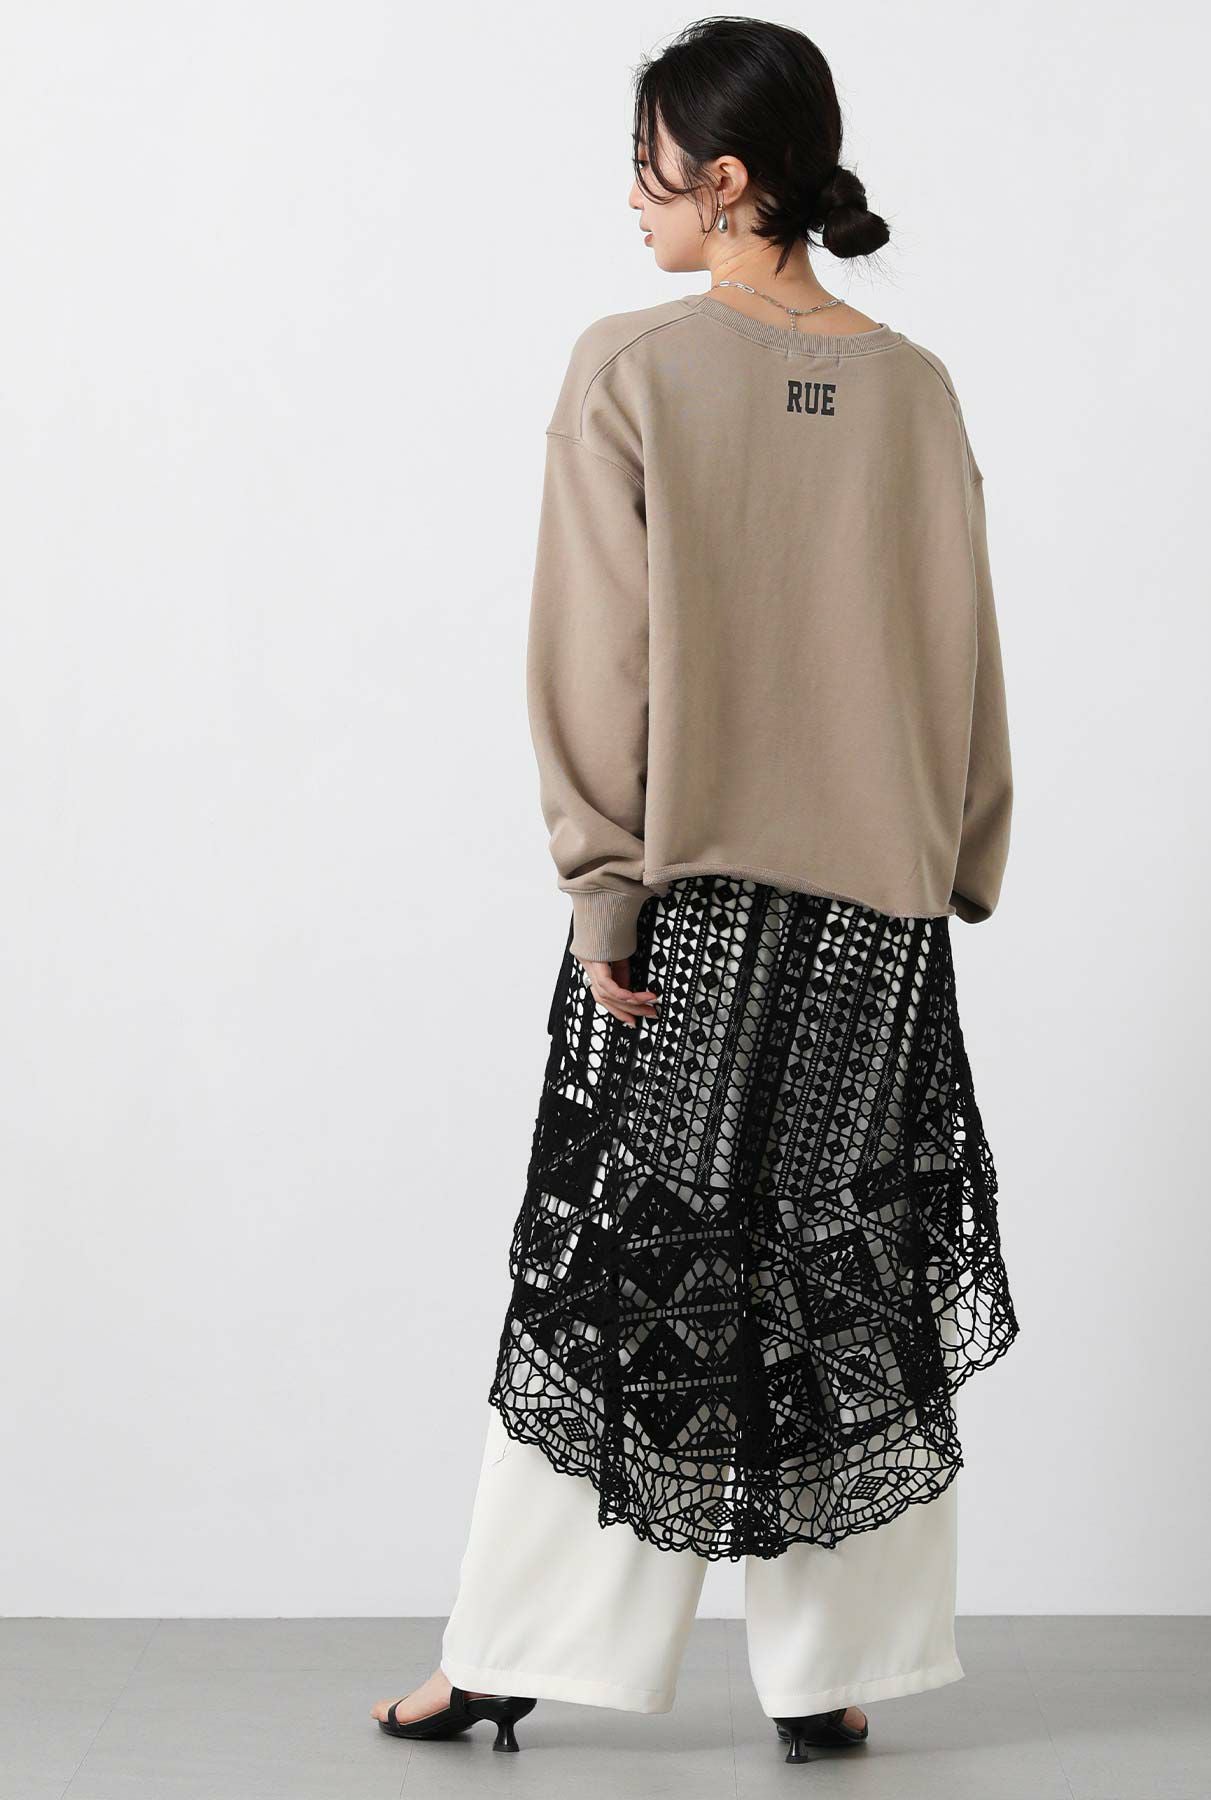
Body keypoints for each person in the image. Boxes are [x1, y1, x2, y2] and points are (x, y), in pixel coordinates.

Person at [371, 15, 1020, 1765]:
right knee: (844, 1266)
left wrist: (604, 888)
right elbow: (965, 647)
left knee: (627, 1262)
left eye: (649, 163)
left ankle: (514, 1648)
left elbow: (601, 656)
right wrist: (956, 855)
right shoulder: (915, 387)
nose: (633, 195)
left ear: (726, 178)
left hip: (696, 905)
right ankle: (829, 1672)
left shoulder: (632, 367)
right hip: (877, 906)